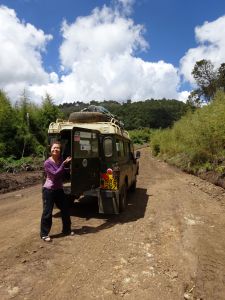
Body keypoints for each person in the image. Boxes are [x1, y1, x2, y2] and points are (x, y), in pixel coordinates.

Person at [40, 141, 74, 242]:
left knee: (65, 209)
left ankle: (66, 230)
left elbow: (62, 172)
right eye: (54, 148)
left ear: (60, 150)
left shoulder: (60, 160)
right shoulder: (47, 163)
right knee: (47, 212)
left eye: (58, 148)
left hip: (59, 189)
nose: (55, 149)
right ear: (50, 150)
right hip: (49, 190)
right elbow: (55, 175)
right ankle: (44, 234)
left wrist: (70, 168)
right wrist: (64, 164)